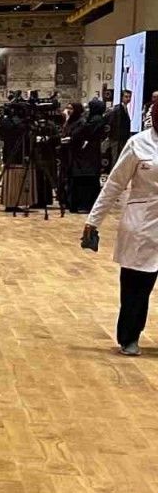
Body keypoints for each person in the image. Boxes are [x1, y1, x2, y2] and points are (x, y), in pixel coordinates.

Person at [84, 94, 158, 356]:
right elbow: (114, 184)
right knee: (136, 288)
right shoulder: (138, 144)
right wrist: (93, 221)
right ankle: (129, 337)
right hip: (142, 225)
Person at [67, 100, 107, 213]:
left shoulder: (96, 120)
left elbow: (84, 132)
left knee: (86, 179)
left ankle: (84, 204)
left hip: (89, 154)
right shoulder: (94, 119)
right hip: (90, 152)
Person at [105, 90, 133, 171]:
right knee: (115, 159)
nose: (128, 99)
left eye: (129, 97)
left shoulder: (125, 108)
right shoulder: (117, 109)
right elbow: (111, 123)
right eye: (126, 97)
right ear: (122, 97)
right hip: (116, 138)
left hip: (122, 139)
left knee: (119, 158)